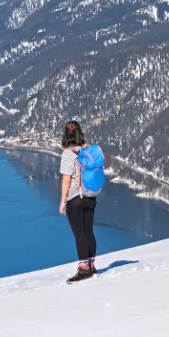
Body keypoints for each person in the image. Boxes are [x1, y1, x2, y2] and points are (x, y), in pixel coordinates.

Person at [58, 120, 98, 282]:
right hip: (91, 197)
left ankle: (83, 269)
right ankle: (91, 265)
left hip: (75, 199)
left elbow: (66, 180)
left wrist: (62, 202)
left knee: (79, 235)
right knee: (89, 232)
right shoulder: (89, 151)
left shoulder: (68, 154)